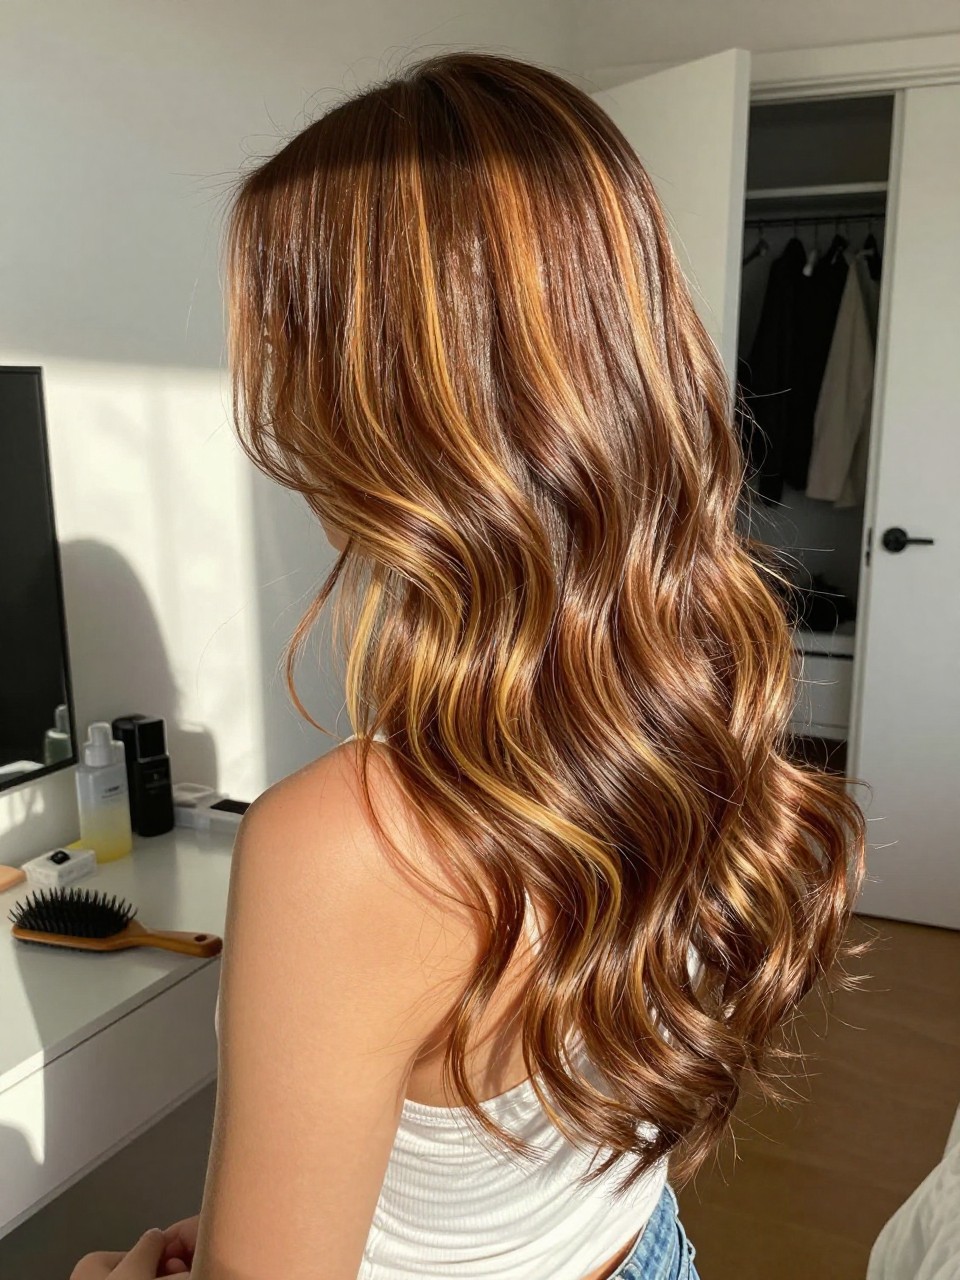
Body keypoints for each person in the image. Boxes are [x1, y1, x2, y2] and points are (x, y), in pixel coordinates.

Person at [71, 52, 865, 1280]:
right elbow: (581, 1128)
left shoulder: (346, 844)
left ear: (389, 402)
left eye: (290, 344)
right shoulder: (697, 686)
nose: (272, 402)